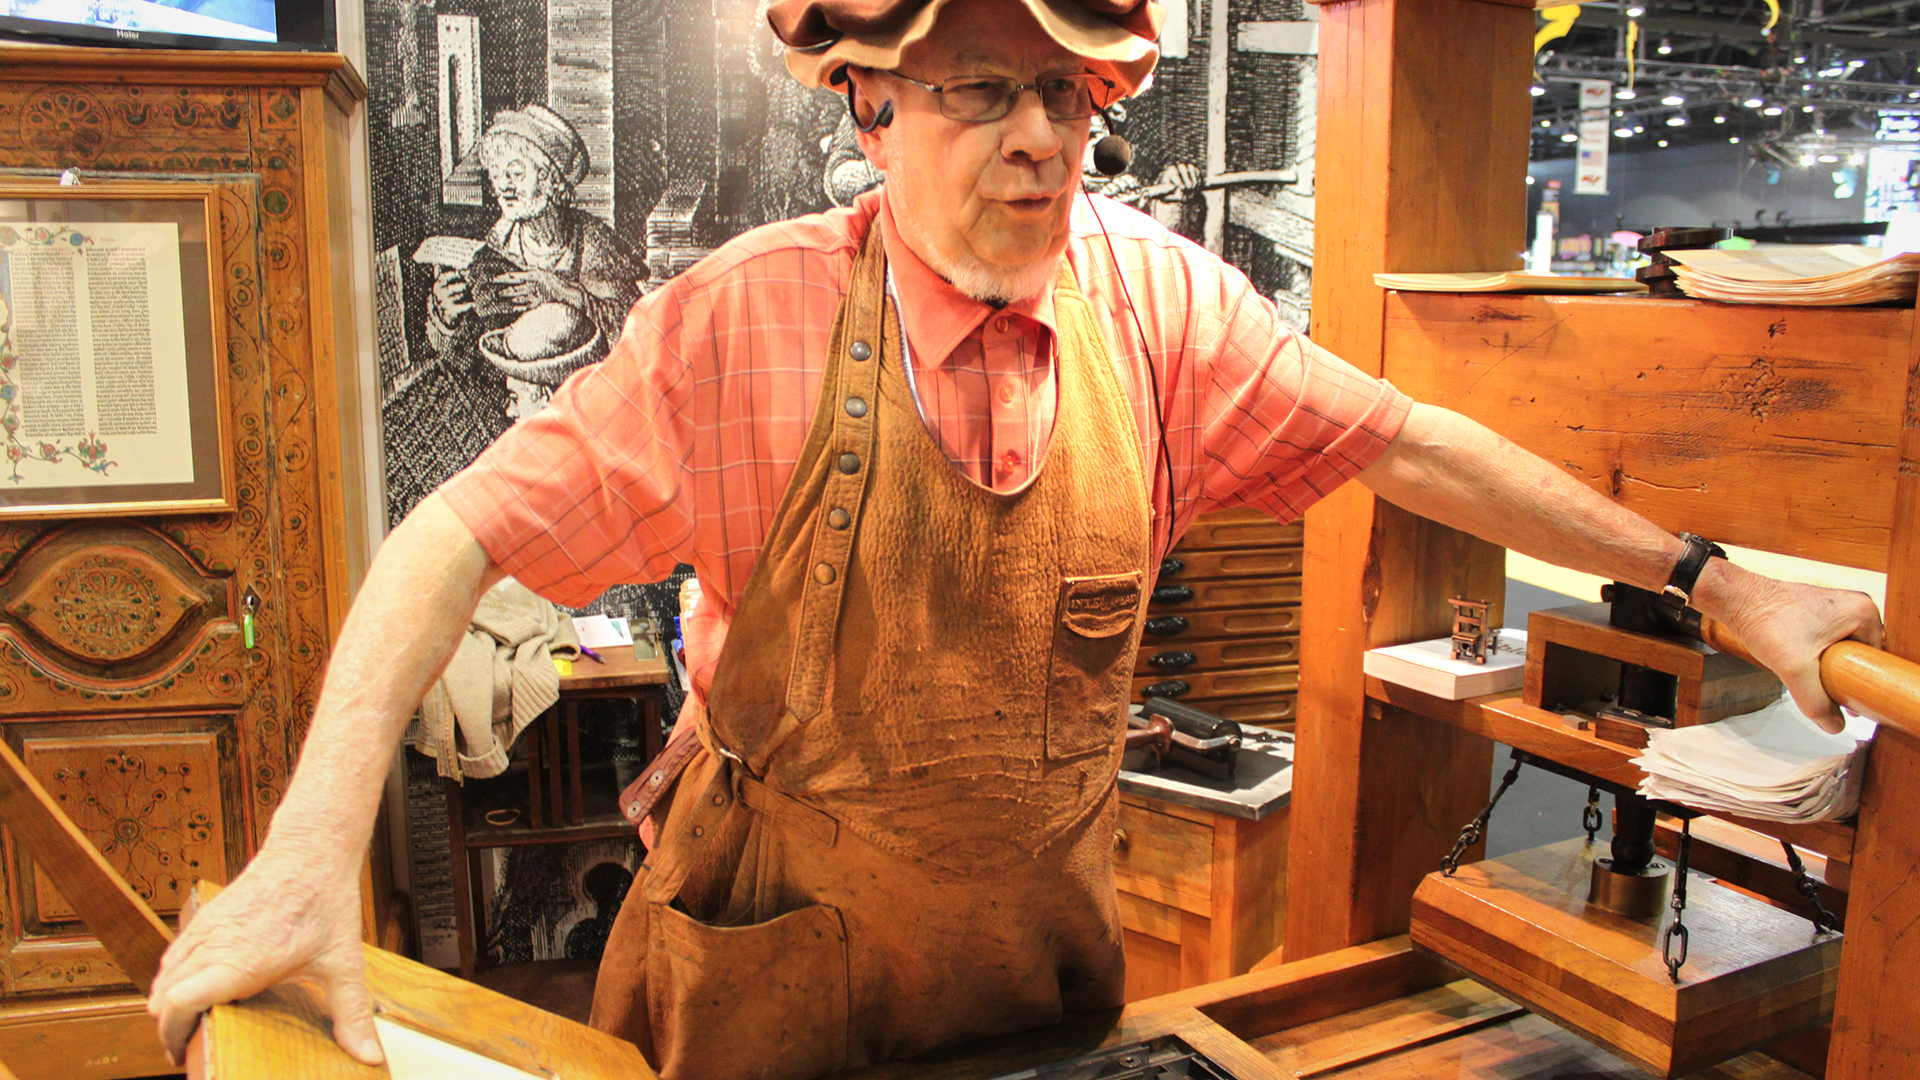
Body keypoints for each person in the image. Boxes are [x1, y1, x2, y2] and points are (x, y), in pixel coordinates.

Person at [147, 0, 1885, 1077]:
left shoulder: (1165, 311)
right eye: (985, 88)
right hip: (771, 966)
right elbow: (449, 535)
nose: (1042, 137)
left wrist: (1715, 582)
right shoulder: (743, 323)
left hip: (1037, 980)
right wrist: (307, 860)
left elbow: (1411, 441)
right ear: (873, 110)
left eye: (1068, 92)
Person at [426, 103, 645, 420]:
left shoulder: (593, 243)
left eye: (516, 172)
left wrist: (564, 293)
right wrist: (446, 322)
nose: (503, 186)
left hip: (593, 405)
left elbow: (636, 335)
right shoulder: (495, 251)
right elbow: (477, 358)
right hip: (517, 411)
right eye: (497, 175)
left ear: (551, 179)